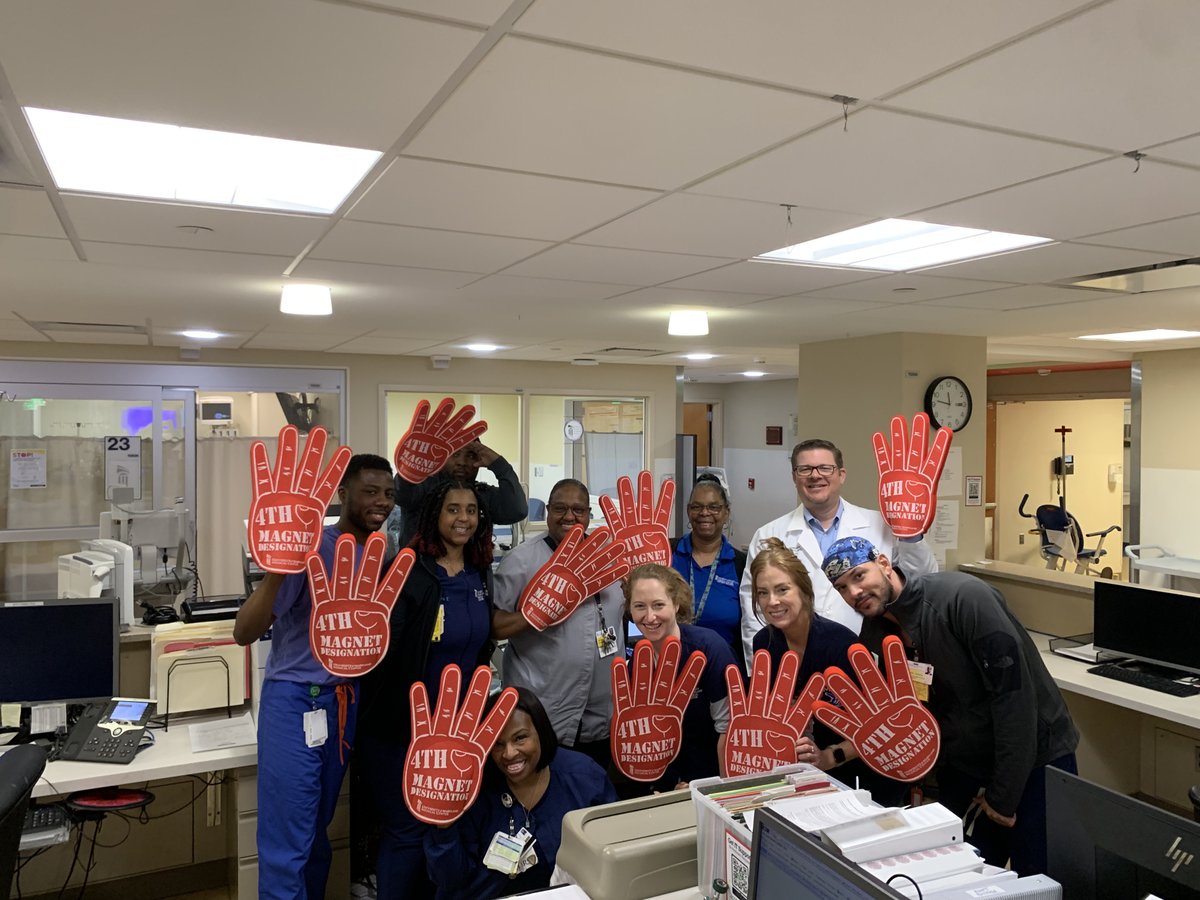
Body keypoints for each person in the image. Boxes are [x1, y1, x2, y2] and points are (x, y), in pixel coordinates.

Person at [822, 535, 1079, 876]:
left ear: (884, 565)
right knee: (963, 870)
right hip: (967, 761)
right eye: (842, 587)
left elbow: (1015, 701)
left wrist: (1002, 796)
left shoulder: (964, 599)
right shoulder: (875, 632)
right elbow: (907, 712)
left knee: (1039, 876)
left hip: (1034, 758)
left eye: (859, 576)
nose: (854, 592)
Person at [234, 453, 396, 900]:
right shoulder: (309, 549)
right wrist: (277, 570)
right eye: (370, 491)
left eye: (388, 494)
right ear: (343, 494)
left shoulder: (381, 556)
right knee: (288, 841)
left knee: (316, 830)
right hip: (295, 702)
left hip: (344, 703)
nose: (381, 502)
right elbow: (244, 631)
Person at [356, 480, 496, 900]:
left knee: (446, 823)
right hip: (401, 727)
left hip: (457, 730)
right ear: (435, 515)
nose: (463, 519)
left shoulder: (478, 571)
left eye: (471, 510)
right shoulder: (409, 569)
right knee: (406, 830)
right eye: (453, 509)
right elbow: (386, 650)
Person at [738, 437, 938, 659]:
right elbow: (753, 609)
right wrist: (761, 671)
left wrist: (911, 534)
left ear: (841, 475)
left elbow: (922, 581)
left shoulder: (881, 524)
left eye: (825, 468)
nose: (815, 475)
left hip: (870, 656)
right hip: (795, 663)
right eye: (805, 469)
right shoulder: (768, 534)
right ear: (794, 477)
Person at [747, 538, 908, 806]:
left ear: (803, 591)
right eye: (763, 593)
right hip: (807, 776)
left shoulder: (841, 647)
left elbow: (883, 729)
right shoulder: (765, 643)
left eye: (782, 589)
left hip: (862, 776)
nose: (772, 602)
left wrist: (829, 757)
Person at [424, 688, 617, 898]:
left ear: (541, 733)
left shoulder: (584, 777)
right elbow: (449, 880)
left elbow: (614, 851)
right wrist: (444, 826)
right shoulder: (470, 789)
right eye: (497, 744)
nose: (509, 753)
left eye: (520, 738)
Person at [492, 478, 624, 770]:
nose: (569, 517)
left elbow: (621, 614)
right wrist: (534, 615)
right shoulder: (522, 561)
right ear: (547, 511)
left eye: (578, 510)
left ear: (589, 514)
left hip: (602, 711)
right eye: (560, 508)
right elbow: (495, 626)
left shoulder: (609, 558)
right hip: (546, 706)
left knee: (593, 793)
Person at [623, 563, 734, 789]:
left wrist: (715, 788)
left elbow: (728, 729)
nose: (650, 616)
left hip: (710, 776)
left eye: (658, 605)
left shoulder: (708, 649)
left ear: (675, 604)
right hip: (665, 780)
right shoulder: (639, 660)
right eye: (640, 606)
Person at [392, 437, 526, 551]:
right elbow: (400, 493)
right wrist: (411, 468)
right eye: (454, 453)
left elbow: (517, 510)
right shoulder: (423, 487)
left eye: (471, 456)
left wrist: (499, 465)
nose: (462, 463)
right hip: (421, 575)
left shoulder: (482, 494)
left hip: (472, 576)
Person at [670, 475, 747, 672]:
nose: (705, 513)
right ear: (688, 511)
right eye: (697, 507)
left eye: (714, 507)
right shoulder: (667, 553)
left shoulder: (741, 564)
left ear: (726, 512)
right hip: (669, 666)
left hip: (723, 670)